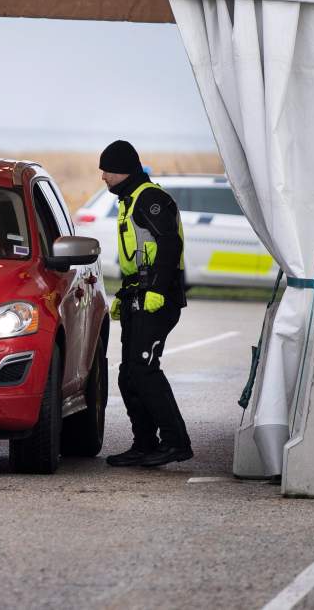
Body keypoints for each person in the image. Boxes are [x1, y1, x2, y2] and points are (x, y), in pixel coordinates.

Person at [99, 140, 193, 468]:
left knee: (144, 370)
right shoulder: (129, 199)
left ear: (124, 169)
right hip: (138, 296)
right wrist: (126, 295)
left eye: (107, 169)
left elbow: (169, 245)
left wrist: (158, 290)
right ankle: (144, 444)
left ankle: (175, 443)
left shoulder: (150, 199)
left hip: (158, 299)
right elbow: (138, 255)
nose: (102, 176)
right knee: (129, 374)